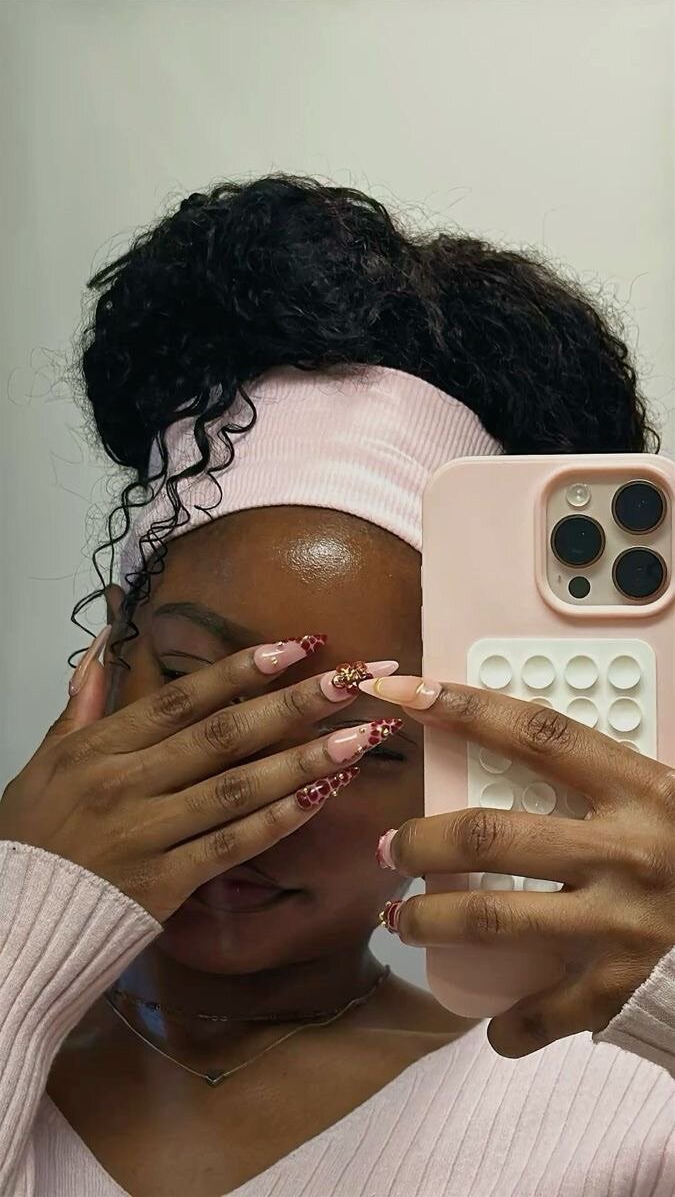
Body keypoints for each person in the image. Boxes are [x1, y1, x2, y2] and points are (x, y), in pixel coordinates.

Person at [1, 175, 673, 1197]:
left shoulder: (617, 1114)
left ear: (466, 770)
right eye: (193, 684)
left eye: (365, 744)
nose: (253, 805)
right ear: (106, 660)